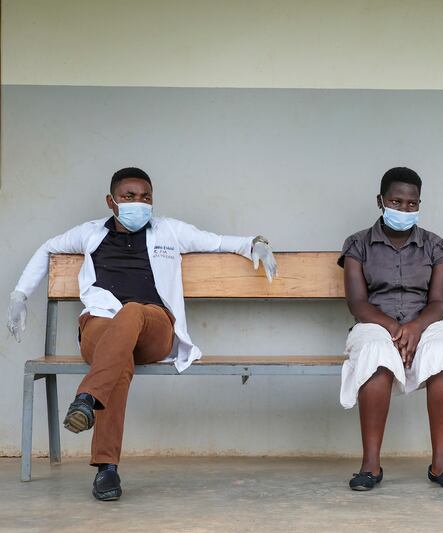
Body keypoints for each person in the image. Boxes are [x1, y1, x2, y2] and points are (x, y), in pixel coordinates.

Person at [6, 167, 277, 501]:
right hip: (100, 324)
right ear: (111, 201)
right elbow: (48, 248)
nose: (138, 202)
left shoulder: (170, 230)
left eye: (145, 197)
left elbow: (218, 242)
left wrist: (256, 244)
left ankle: (87, 398)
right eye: (128, 196)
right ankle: (107, 471)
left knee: (132, 310)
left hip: (153, 326)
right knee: (117, 361)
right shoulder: (91, 233)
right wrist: (19, 294)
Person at [338, 167, 443, 491]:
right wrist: (395, 329)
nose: (404, 209)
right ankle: (370, 465)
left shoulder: (436, 246)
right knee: (375, 357)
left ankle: (441, 465)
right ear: (381, 201)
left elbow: (438, 302)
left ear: (419, 204)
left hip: (425, 323)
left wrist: (414, 327)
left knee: (442, 354)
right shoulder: (358, 245)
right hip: (374, 323)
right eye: (396, 201)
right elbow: (357, 303)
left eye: (411, 203)